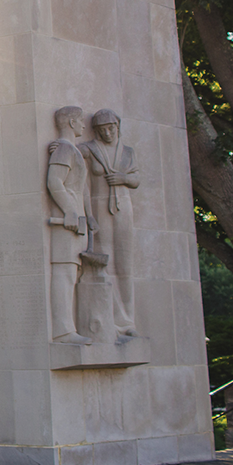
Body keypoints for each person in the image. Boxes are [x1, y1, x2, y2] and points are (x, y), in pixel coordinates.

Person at [80, 109, 140, 337]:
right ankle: (110, 318)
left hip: (123, 209)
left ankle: (127, 321)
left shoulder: (127, 152)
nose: (107, 132)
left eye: (111, 128)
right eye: (102, 129)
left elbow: (136, 178)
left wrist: (123, 178)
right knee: (105, 261)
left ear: (118, 126)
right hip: (98, 208)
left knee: (125, 265)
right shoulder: (90, 149)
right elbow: (70, 153)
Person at [46, 106, 95, 344]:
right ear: (72, 123)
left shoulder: (69, 149)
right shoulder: (65, 149)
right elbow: (55, 182)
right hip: (68, 223)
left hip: (77, 222)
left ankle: (69, 328)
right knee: (64, 273)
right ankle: (64, 331)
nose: (84, 126)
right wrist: (70, 211)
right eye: (81, 121)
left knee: (71, 273)